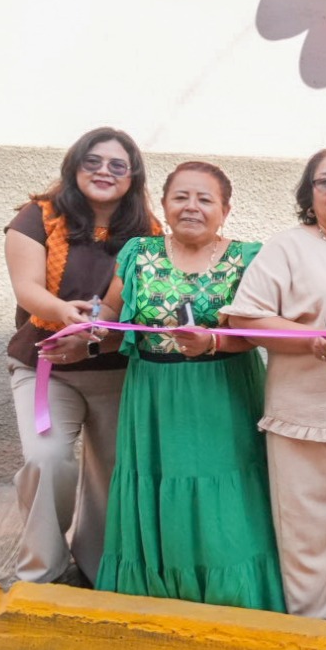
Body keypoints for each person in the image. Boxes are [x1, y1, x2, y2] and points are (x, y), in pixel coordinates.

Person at [93, 162, 284, 611]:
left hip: (222, 393)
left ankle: (232, 597)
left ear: (225, 210)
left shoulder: (249, 257)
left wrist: (214, 340)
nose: (191, 207)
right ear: (163, 205)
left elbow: (262, 331)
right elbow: (110, 313)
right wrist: (88, 332)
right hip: (153, 396)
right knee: (158, 485)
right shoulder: (138, 252)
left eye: (205, 199)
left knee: (225, 495)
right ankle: (157, 592)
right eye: (180, 197)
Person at [223, 148, 326, 626]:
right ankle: (318, 636)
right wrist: (306, 338)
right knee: (309, 538)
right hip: (306, 416)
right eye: (324, 181)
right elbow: (246, 319)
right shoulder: (287, 247)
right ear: (308, 195)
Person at [8, 127, 159, 586]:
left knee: (112, 474)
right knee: (46, 459)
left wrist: (93, 338)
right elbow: (27, 288)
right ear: (75, 166)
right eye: (92, 161)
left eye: (117, 165)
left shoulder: (148, 234)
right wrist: (64, 314)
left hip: (116, 370)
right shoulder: (38, 216)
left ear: (132, 176)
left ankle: (98, 571)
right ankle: (43, 572)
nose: (103, 171)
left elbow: (138, 309)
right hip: (48, 366)